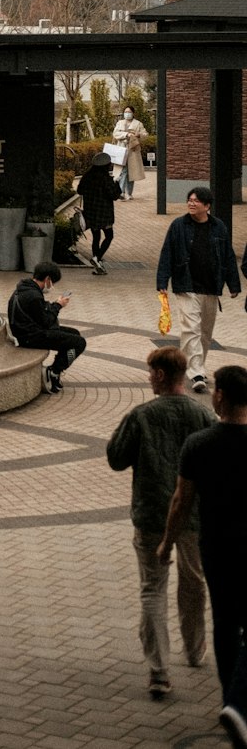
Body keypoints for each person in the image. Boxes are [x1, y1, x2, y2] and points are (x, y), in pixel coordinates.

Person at [106, 346, 215, 699]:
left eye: (150, 372)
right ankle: (196, 649)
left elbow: (116, 459)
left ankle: (159, 670)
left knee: (153, 588)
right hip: (195, 515)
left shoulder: (142, 416)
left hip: (152, 513)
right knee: (194, 581)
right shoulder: (202, 416)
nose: (148, 378)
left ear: (162, 376)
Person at [158, 364, 247, 746]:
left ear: (220, 397)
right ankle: (239, 706)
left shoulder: (199, 444)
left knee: (225, 622)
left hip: (216, 546)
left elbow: (181, 500)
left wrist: (166, 542)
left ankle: (231, 698)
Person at [155, 187, 240, 395]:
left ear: (207, 206)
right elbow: (168, 252)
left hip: (211, 287)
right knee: (190, 328)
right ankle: (197, 374)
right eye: (189, 200)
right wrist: (162, 280)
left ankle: (196, 367)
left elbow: (228, 255)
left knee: (205, 333)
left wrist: (234, 284)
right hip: (186, 285)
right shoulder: (178, 226)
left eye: (196, 201)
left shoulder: (219, 227)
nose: (191, 203)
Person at [7, 259, 86, 393]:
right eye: (52, 282)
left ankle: (56, 369)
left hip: (27, 331)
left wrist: (53, 304)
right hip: (30, 337)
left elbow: (39, 312)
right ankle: (54, 371)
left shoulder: (24, 288)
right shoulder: (33, 295)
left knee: (74, 333)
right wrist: (58, 305)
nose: (51, 286)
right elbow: (47, 321)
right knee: (79, 343)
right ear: (47, 279)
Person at [77, 150, 122, 275]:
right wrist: (117, 185)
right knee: (109, 236)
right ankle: (97, 258)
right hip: (104, 213)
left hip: (90, 212)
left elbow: (79, 191)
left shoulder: (87, 177)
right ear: (106, 166)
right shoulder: (106, 179)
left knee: (96, 237)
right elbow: (114, 195)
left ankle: (98, 265)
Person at [113, 106, 149, 200]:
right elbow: (115, 134)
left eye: (129, 112)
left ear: (133, 113)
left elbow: (145, 135)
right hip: (121, 148)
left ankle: (129, 193)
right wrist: (126, 134)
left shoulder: (138, 124)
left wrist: (138, 135)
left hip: (133, 150)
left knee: (131, 172)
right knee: (123, 171)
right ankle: (121, 192)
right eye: (125, 112)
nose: (127, 113)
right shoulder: (120, 123)